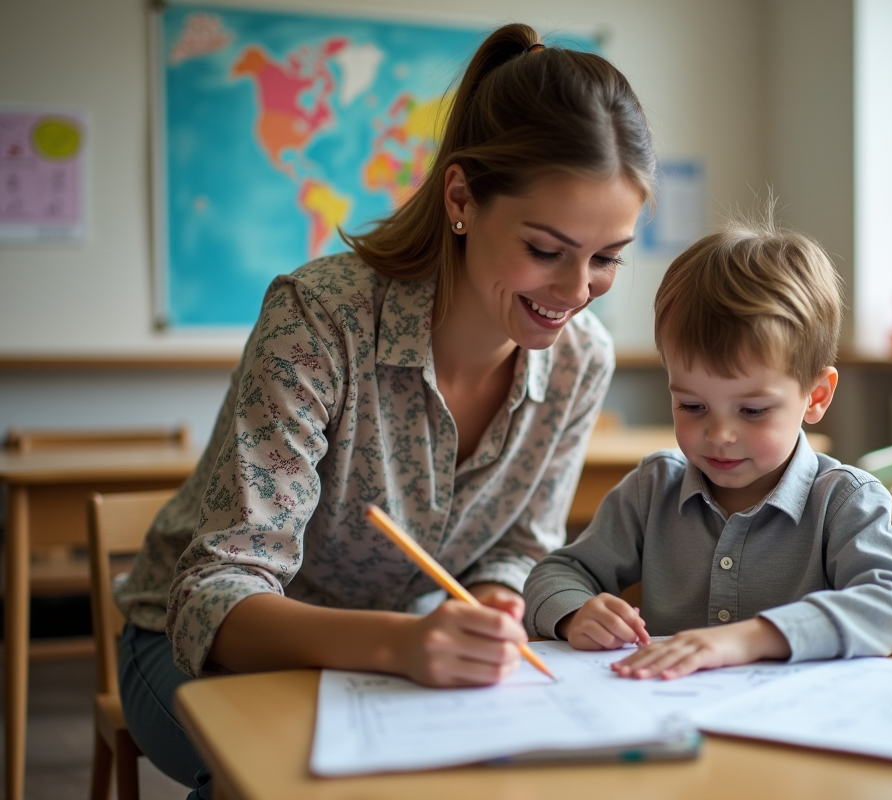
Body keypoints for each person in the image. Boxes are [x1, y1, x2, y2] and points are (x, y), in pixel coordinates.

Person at [113, 23, 653, 798]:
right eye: (546, 250)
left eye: (606, 259)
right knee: (277, 779)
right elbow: (215, 596)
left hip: (396, 658)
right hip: (188, 645)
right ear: (461, 198)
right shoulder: (319, 318)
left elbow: (518, 548)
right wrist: (401, 646)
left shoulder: (582, 359)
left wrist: (496, 604)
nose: (575, 292)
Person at [523, 210, 892, 680]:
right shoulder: (652, 490)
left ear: (816, 396)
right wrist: (575, 612)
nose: (719, 435)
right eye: (692, 406)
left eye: (753, 410)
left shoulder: (842, 501)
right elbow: (554, 573)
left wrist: (752, 637)